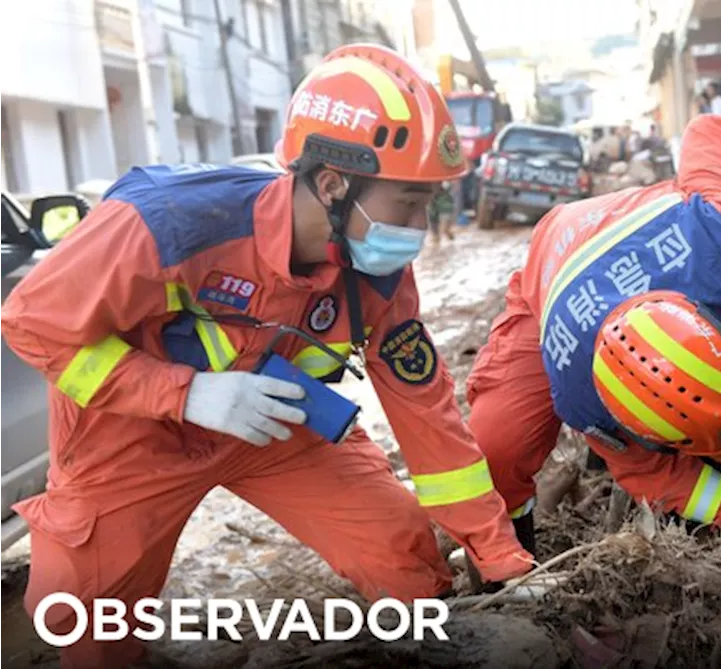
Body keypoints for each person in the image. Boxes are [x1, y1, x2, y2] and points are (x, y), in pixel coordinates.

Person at [0, 43, 531, 668]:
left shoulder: (377, 274)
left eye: (430, 203)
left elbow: (430, 421)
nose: (420, 226)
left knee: (402, 553)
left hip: (272, 423)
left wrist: (504, 561)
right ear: (333, 185)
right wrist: (186, 394)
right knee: (87, 618)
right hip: (131, 437)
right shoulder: (166, 223)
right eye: (408, 203)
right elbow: (33, 325)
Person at [464, 112, 721, 579]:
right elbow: (658, 476)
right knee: (497, 445)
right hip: (553, 282)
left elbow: (711, 132)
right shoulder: (584, 397)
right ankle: (506, 563)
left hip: (652, 238)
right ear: (632, 430)